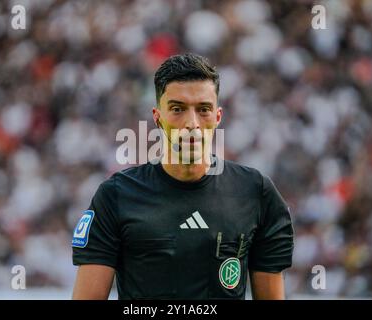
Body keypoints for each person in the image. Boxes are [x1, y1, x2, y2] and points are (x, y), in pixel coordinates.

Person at [72, 53, 294, 300]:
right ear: (158, 118)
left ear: (217, 117)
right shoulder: (115, 196)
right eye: (178, 109)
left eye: (203, 110)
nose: (192, 123)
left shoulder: (256, 193)